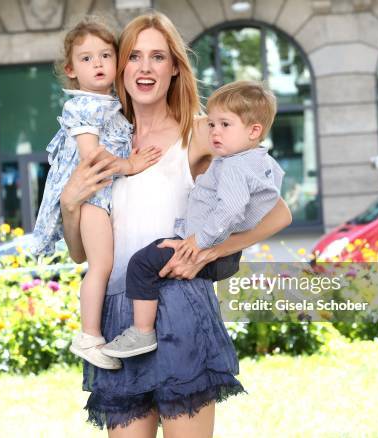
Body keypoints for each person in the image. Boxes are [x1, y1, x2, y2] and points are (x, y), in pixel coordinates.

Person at [60, 12, 293, 437]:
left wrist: (211, 250)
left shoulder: (203, 132)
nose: (145, 67)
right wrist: (69, 203)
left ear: (173, 68)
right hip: (117, 313)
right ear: (119, 67)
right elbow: (81, 253)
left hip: (180, 306)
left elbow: (279, 212)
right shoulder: (100, 143)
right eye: (134, 56)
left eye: (158, 57)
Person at [101, 80, 285, 358]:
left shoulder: (234, 165)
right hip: (215, 249)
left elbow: (234, 210)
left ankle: (142, 331)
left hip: (204, 247)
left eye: (224, 125)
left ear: (254, 131)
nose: (214, 132)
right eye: (211, 124)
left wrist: (202, 242)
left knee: (141, 263)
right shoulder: (260, 162)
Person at [31, 16, 161, 370]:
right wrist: (129, 166)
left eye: (106, 55)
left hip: (102, 198)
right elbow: (91, 156)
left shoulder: (111, 103)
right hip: (92, 199)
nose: (98, 63)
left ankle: (93, 333)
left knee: (104, 263)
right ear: (71, 70)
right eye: (86, 59)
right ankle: (89, 335)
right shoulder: (83, 105)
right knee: (99, 265)